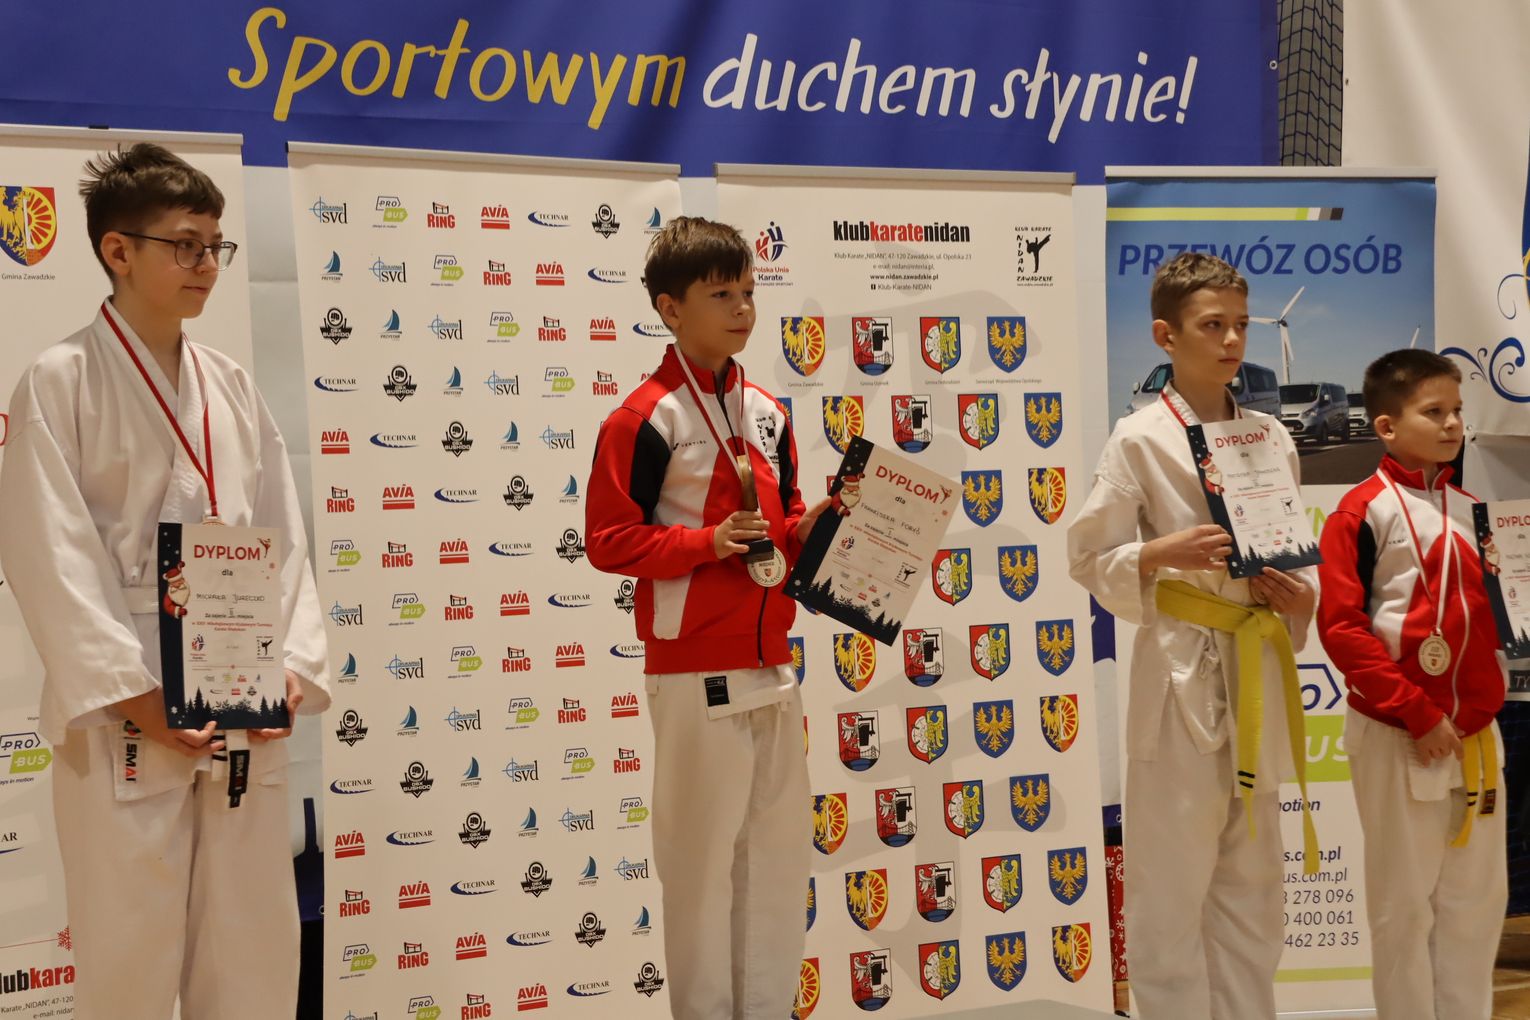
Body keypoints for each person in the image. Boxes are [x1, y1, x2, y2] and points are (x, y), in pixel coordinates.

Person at [0, 143, 329, 1018]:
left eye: (216, 246)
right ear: (118, 250)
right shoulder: (59, 382)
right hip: (131, 706)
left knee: (251, 950)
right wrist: (136, 695)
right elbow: (50, 554)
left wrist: (288, 666)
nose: (207, 265)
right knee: (129, 956)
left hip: (241, 692)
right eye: (185, 245)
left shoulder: (230, 385)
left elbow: (282, 536)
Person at [585, 216, 830, 1019]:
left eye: (749, 292)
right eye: (720, 294)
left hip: (773, 663)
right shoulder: (644, 417)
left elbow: (783, 524)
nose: (742, 309)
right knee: (698, 872)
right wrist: (705, 541)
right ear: (669, 307)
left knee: (777, 864)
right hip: (694, 670)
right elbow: (607, 541)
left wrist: (821, 521)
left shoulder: (767, 410)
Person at [1067, 253, 1317, 1019]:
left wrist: (1296, 595)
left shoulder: (1270, 436)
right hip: (1179, 667)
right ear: (1165, 336)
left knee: (1255, 883)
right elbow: (1087, 555)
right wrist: (1156, 552)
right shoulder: (1139, 438)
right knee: (1170, 884)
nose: (1233, 340)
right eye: (1213, 325)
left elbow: (1291, 549)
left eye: (1240, 324)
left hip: (1256, 658)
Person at [1317, 349, 1506, 1019]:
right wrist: (1416, 713)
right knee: (1402, 910)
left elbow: (1498, 622)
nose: (1453, 424)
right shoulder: (1360, 512)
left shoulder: (1476, 511)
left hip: (1475, 735)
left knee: (1475, 909)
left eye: (1457, 410)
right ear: (1387, 426)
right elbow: (1341, 629)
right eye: (1434, 412)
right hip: (1400, 734)